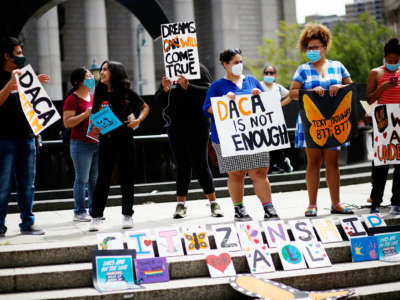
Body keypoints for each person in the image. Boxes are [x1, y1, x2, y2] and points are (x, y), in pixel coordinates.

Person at [203, 48, 279, 221]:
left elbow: (267, 104)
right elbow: (206, 110)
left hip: (253, 136)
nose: (239, 65)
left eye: (240, 61)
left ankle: (269, 208)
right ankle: (239, 209)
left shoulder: (252, 81)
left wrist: (259, 95)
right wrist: (223, 101)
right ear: (225, 64)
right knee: (236, 173)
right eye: (235, 62)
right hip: (229, 138)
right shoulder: (217, 86)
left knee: (259, 172)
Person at [289, 23, 354, 217]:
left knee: (333, 163)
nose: (312, 51)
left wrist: (339, 87)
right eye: (309, 48)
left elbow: (351, 88)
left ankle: (336, 203)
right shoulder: (303, 69)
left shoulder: (338, 66)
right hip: (311, 123)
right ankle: (312, 204)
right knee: (313, 163)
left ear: (324, 47)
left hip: (335, 122)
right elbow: (293, 93)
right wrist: (309, 91)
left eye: (316, 47)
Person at [155, 65, 223, 219]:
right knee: (181, 164)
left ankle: (213, 202)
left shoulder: (198, 69)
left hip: (198, 123)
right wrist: (164, 91)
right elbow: (159, 100)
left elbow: (209, 92)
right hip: (176, 124)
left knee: (201, 163)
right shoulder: (170, 71)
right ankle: (181, 204)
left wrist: (189, 87)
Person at [88, 61, 150, 231]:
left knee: (127, 177)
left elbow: (145, 107)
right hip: (106, 139)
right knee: (103, 179)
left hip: (125, 137)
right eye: (101, 69)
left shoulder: (126, 92)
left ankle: (127, 215)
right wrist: (95, 126)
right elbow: (94, 115)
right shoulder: (99, 92)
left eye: (106, 69)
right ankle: (96, 216)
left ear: (115, 72)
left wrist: (138, 120)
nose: (102, 72)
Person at [0, 37, 50, 236]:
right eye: (18, 53)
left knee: (27, 184)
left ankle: (27, 223)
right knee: (3, 185)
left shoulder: (26, 76)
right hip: (4, 139)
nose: (22, 57)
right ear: (7, 55)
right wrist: (11, 83)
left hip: (27, 137)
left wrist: (35, 85)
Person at [366, 38, 400, 214]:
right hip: (382, 122)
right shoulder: (376, 73)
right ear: (384, 57)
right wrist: (384, 87)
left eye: (396, 61)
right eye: (390, 61)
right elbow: (370, 99)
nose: (393, 64)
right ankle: (376, 202)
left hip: (399, 121)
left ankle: (397, 202)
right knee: (380, 165)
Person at [63, 67, 98, 222]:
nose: (92, 78)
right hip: (80, 144)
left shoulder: (92, 96)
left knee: (94, 179)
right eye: (88, 76)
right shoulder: (72, 99)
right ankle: (79, 212)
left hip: (95, 142)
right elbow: (67, 122)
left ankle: (94, 210)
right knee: (82, 179)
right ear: (79, 81)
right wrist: (85, 114)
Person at [260, 65, 293, 174]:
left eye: (271, 73)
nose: (269, 75)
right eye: (266, 73)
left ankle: (281, 163)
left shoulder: (277, 87)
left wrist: (280, 104)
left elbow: (291, 95)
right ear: (263, 74)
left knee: (275, 142)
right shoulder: (259, 86)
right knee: (265, 143)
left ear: (275, 75)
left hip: (275, 120)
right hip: (262, 120)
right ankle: (278, 163)